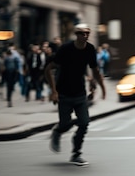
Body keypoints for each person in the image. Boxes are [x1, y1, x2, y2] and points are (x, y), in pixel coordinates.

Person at [44, 24, 106, 166]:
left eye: (87, 34)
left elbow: (95, 70)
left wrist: (101, 87)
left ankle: (76, 154)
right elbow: (48, 69)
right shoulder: (65, 49)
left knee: (84, 123)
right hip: (64, 93)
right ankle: (58, 131)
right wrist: (53, 91)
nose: (84, 36)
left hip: (80, 93)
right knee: (65, 123)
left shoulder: (90, 49)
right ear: (76, 34)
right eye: (81, 33)